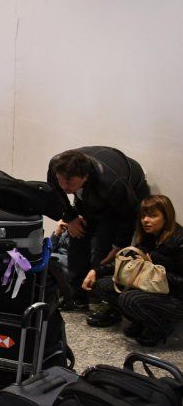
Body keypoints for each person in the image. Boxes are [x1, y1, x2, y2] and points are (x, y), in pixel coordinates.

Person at [47, 146, 150, 311]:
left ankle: (99, 299)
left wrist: (119, 245)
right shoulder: (56, 166)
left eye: (69, 182)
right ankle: (76, 296)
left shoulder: (112, 184)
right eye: (61, 180)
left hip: (127, 190)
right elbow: (55, 194)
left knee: (102, 248)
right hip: (92, 193)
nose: (64, 186)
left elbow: (128, 215)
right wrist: (70, 218)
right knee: (77, 237)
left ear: (85, 177)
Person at [84, 195, 183, 346]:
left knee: (129, 298)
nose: (145, 220)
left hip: (174, 296)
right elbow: (127, 262)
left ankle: (160, 327)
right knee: (101, 284)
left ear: (166, 216)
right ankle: (141, 321)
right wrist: (96, 271)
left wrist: (157, 271)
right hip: (149, 286)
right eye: (143, 216)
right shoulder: (149, 237)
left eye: (152, 216)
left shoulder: (178, 241)